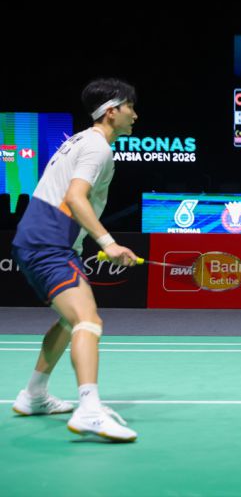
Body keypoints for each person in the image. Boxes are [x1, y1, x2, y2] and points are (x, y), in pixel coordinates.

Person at [11, 78, 140, 442]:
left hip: (46, 239)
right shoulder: (97, 148)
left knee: (70, 321)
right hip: (47, 242)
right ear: (112, 111)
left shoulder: (80, 141)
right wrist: (109, 243)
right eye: (130, 107)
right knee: (88, 321)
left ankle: (34, 395)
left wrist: (82, 243)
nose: (135, 114)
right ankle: (89, 410)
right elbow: (75, 196)